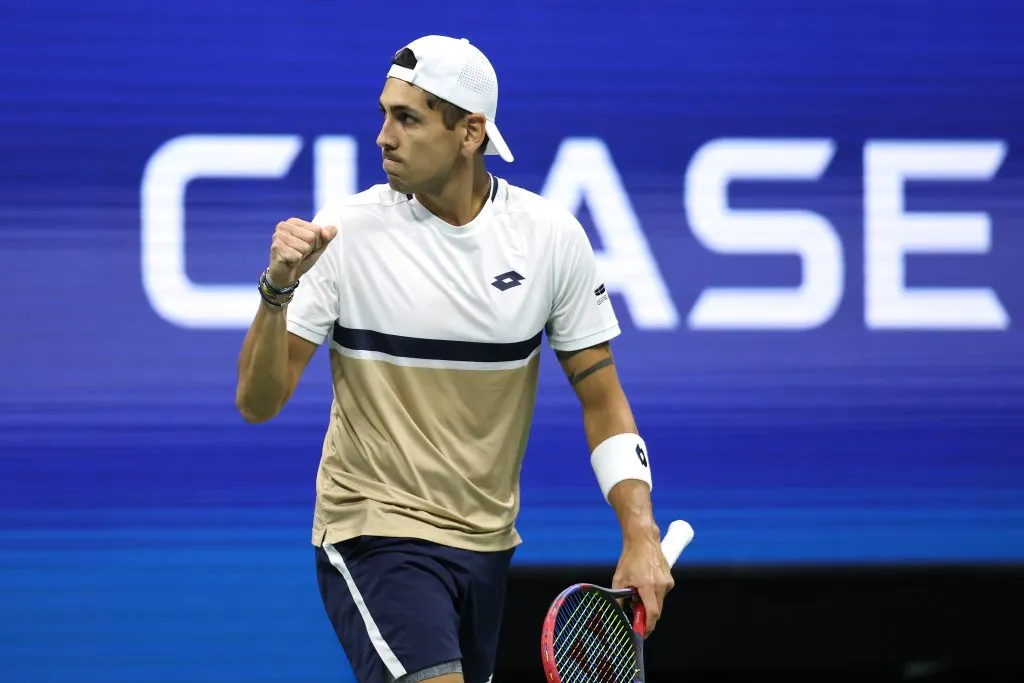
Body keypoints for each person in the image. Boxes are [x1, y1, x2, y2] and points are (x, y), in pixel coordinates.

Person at [235, 34, 674, 683]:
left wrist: (640, 531)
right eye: (383, 113)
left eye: (407, 118)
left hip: (487, 544)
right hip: (374, 529)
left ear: (471, 132)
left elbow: (602, 397)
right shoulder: (346, 234)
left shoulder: (549, 238)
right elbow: (257, 401)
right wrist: (277, 290)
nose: (383, 136)